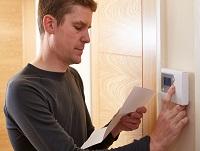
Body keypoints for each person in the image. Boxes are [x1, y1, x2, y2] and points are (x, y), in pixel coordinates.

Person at [4, 0, 188, 151]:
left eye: (88, 28)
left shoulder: (73, 76)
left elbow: (86, 145)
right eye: (78, 27)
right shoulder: (22, 90)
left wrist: (116, 126)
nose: (87, 38)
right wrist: (152, 143)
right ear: (50, 24)